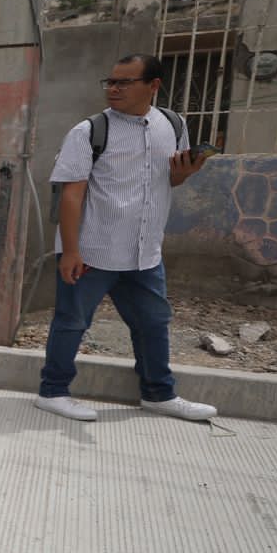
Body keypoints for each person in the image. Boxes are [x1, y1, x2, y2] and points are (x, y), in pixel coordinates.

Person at [35, 54, 216, 423]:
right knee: (71, 322)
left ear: (153, 85)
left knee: (153, 322)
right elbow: (71, 194)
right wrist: (70, 250)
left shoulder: (173, 124)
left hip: (144, 252)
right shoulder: (88, 131)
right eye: (111, 81)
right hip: (92, 250)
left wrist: (187, 172)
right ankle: (52, 392)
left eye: (124, 82)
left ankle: (158, 395)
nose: (113, 89)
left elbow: (170, 180)